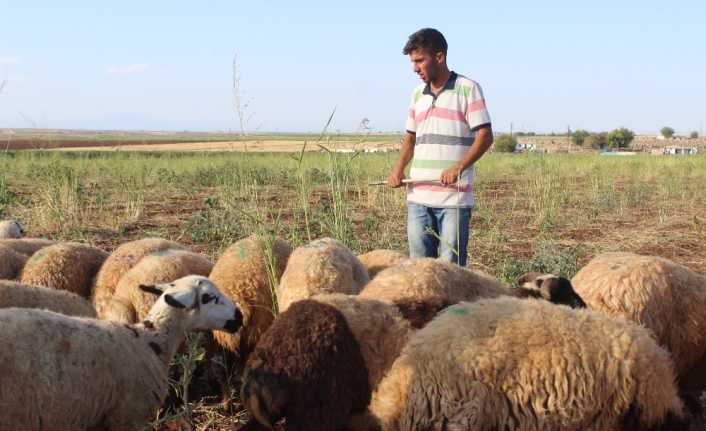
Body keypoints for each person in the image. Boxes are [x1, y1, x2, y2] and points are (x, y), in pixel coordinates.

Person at [387, 28, 494, 267]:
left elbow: (485, 136)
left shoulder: (468, 88)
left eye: (419, 60)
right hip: (418, 197)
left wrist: (459, 167)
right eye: (412, 62)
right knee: (419, 270)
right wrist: (398, 171)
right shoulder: (417, 94)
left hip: (453, 200)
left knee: (451, 272)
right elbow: (411, 139)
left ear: (439, 57)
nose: (415, 68)